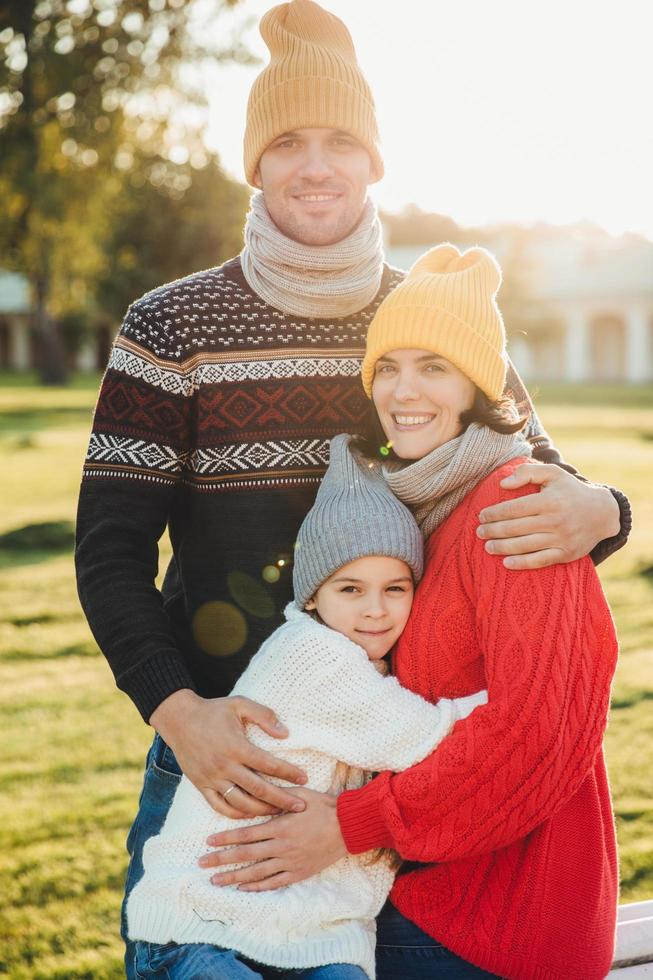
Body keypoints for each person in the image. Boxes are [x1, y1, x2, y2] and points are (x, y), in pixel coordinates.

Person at [74, 1, 629, 974]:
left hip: (382, 775)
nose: (315, 164)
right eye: (286, 141)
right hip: (220, 757)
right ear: (254, 163)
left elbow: (538, 481)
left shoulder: (431, 318)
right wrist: (179, 714)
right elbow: (109, 550)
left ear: (376, 160)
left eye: (341, 140)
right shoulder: (170, 326)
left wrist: (606, 509)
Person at [199, 245, 620, 980]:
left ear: (476, 385)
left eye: (433, 367)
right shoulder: (421, 508)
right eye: (387, 367)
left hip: (494, 924)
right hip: (430, 887)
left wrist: (348, 828)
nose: (403, 390)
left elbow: (537, 736)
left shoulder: (514, 507)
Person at [125, 433, 486, 979]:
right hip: (201, 924)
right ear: (313, 594)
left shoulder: (362, 661)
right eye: (350, 589)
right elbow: (435, 738)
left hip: (308, 933)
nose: (376, 611)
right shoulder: (317, 656)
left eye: (396, 588)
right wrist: (517, 696)